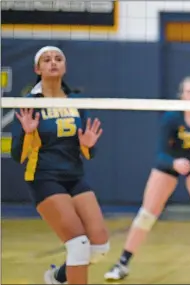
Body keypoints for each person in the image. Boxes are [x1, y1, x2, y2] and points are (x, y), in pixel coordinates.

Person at [104, 76, 190, 283]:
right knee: (146, 215)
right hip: (170, 164)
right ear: (181, 95)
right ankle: (122, 263)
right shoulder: (171, 117)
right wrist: (173, 163)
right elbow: (160, 154)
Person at [11, 46, 110, 285]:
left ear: (64, 67)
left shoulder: (76, 101)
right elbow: (17, 155)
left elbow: (88, 151)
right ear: (37, 69)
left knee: (99, 247)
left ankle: (58, 278)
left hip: (74, 176)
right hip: (44, 178)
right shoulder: (28, 104)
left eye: (58, 59)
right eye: (46, 60)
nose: (53, 62)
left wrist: (87, 144)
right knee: (78, 244)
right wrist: (27, 133)